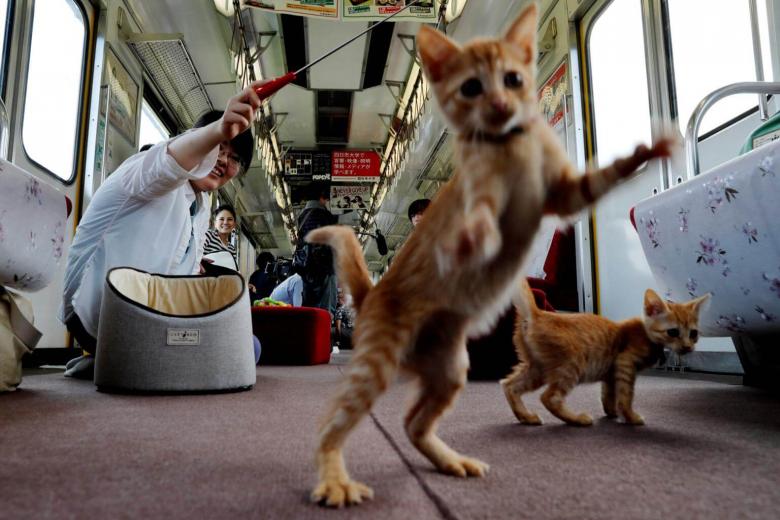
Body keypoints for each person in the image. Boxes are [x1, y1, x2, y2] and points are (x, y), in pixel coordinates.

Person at [59, 79, 268, 379]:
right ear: (197, 140)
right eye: (218, 147)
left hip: (146, 318)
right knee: (240, 350)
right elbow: (169, 162)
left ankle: (116, 364)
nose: (223, 160)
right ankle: (122, 363)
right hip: (101, 312)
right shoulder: (148, 171)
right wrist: (218, 129)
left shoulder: (200, 205)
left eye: (235, 158)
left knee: (248, 345)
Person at [295, 185, 338, 314]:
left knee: (309, 307)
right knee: (325, 309)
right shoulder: (323, 215)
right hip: (323, 267)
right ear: (322, 197)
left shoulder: (302, 216)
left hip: (307, 267)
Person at [203, 204, 239, 271]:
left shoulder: (232, 249)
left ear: (234, 224)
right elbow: (196, 255)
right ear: (215, 223)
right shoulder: (209, 235)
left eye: (230, 219)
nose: (225, 222)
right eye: (221, 219)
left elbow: (232, 269)